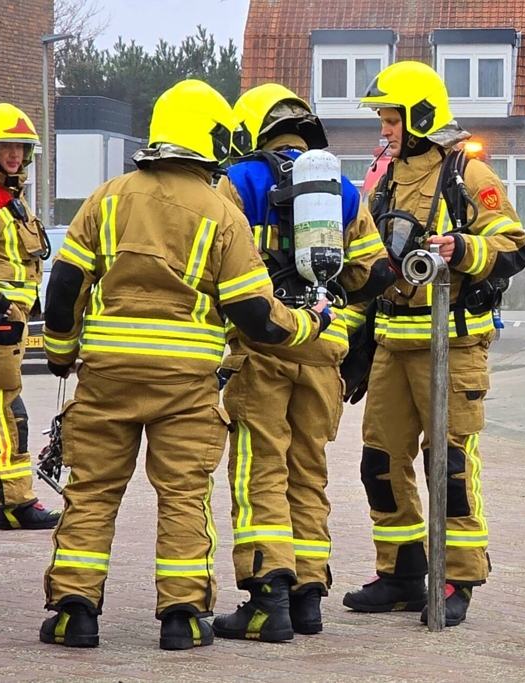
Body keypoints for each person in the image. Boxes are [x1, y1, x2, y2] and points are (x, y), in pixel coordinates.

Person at [39, 79, 333, 651]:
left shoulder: (107, 197)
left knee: (93, 491)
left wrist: (59, 354)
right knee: (182, 495)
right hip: (186, 386)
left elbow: (64, 289)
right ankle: (182, 618)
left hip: (107, 377)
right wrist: (309, 324)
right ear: (212, 138)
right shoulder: (221, 214)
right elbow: (256, 317)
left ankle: (76, 613)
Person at [342, 61, 525, 627]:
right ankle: (401, 572)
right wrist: (349, 342)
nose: (385, 128)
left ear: (421, 114)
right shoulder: (385, 177)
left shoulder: (466, 174)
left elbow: (514, 245)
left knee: (448, 463)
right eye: (381, 117)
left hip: (453, 343)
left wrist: (463, 251)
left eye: (392, 116)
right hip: (391, 344)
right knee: (379, 461)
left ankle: (459, 576)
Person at [210, 83, 392, 642]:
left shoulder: (237, 181)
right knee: (308, 470)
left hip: (264, 346)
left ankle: (269, 601)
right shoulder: (340, 188)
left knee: (260, 467)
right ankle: (310, 595)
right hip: (322, 347)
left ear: (252, 131)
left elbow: (210, 260)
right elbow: (376, 274)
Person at [0, 103, 57, 530]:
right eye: (6, 146)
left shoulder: (10, 197)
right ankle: (14, 504)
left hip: (6, 325)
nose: (14, 154)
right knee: (6, 414)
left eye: (21, 147)